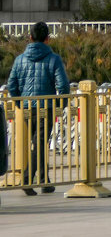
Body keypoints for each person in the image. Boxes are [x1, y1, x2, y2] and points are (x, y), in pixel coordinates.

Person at [6, 21, 70, 195]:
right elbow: (63, 86)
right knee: (40, 143)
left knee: (37, 143)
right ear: (48, 39)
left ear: (30, 38)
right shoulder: (54, 59)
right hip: (45, 107)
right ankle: (27, 179)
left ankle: (44, 180)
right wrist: (59, 104)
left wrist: (20, 102)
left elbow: (11, 84)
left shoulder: (20, 59)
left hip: (26, 107)